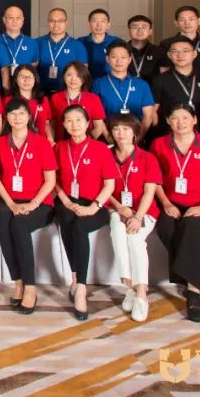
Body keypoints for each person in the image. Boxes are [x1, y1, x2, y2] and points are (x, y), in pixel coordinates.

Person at [151, 102, 200, 322]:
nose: (180, 122)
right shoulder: (159, 144)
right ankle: (193, 275)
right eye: (175, 118)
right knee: (166, 228)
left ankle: (194, 290)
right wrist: (166, 203)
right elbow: (155, 180)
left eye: (185, 117)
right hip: (172, 203)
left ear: (195, 120)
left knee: (191, 226)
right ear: (168, 121)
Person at [0, 98, 57, 314]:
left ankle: (30, 287)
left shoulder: (41, 143)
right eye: (12, 114)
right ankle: (17, 281)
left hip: (39, 202)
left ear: (29, 117)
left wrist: (33, 203)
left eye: (21, 113)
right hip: (8, 200)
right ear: (7, 118)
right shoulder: (0, 143)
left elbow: (50, 181)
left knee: (19, 224)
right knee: (2, 221)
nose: (16, 117)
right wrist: (10, 203)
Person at [53, 105, 117, 321]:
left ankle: (80, 286)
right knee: (66, 218)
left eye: (79, 120)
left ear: (88, 123)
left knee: (80, 226)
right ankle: (75, 277)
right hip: (67, 200)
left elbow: (109, 185)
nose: (74, 125)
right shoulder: (59, 147)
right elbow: (54, 181)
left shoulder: (101, 149)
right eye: (69, 121)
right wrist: (66, 201)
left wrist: (93, 207)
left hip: (95, 204)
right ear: (63, 125)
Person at [105, 113, 161, 322]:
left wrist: (138, 217)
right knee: (118, 233)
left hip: (143, 211)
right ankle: (130, 287)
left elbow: (149, 192)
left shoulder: (147, 158)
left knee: (135, 239)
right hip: (116, 208)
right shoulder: (105, 154)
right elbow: (102, 187)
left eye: (125, 129)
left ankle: (141, 294)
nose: (120, 133)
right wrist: (119, 207)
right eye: (116, 129)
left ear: (135, 133)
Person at [149, 36, 200, 141]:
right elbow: (153, 111)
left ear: (194, 54)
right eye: (175, 51)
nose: (180, 55)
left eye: (185, 51)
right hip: (169, 135)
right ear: (169, 55)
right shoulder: (159, 80)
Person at [92, 41, 157, 138]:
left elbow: (148, 116)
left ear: (129, 59)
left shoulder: (142, 85)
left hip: (136, 137)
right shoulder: (97, 83)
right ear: (107, 59)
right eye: (114, 57)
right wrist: (108, 138)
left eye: (123, 57)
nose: (119, 61)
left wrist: (137, 139)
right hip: (107, 136)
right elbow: (96, 116)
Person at [48, 61, 107, 141]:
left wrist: (86, 143)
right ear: (64, 76)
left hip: (87, 144)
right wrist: (52, 141)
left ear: (84, 78)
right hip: (61, 143)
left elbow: (99, 127)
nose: (73, 79)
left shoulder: (93, 98)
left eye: (78, 76)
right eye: (69, 75)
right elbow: (52, 124)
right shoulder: (55, 98)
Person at [159, 6, 200, 77]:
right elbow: (164, 69)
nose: (187, 23)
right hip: (174, 82)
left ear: (199, 21)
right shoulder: (166, 43)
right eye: (182, 20)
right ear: (176, 23)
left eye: (191, 19)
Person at [36, 8, 87, 93]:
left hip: (66, 93)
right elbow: (31, 69)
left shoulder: (77, 45)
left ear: (66, 22)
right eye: (52, 21)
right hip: (40, 92)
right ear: (48, 22)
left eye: (60, 21)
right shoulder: (37, 43)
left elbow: (83, 73)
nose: (56, 24)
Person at [2, 64, 53, 141]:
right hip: (17, 142)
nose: (26, 80)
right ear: (16, 80)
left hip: (41, 142)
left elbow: (47, 123)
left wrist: (50, 139)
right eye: (22, 77)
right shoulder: (8, 100)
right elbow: (4, 124)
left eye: (29, 77)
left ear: (35, 79)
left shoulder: (44, 100)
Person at [0, 6, 39, 92]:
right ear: (4, 20)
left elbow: (34, 65)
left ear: (23, 20)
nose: (14, 21)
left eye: (18, 18)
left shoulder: (32, 43)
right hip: (0, 89)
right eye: (11, 18)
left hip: (25, 88)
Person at [77, 8, 121, 79]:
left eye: (103, 21)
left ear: (108, 25)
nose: (98, 25)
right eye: (94, 21)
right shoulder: (80, 42)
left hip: (110, 82)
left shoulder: (117, 42)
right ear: (89, 24)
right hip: (86, 82)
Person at [126, 15, 161, 83]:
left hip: (152, 88)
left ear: (150, 31)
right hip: (125, 88)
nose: (140, 30)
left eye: (144, 27)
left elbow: (164, 77)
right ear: (129, 30)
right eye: (135, 27)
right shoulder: (121, 50)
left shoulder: (159, 51)